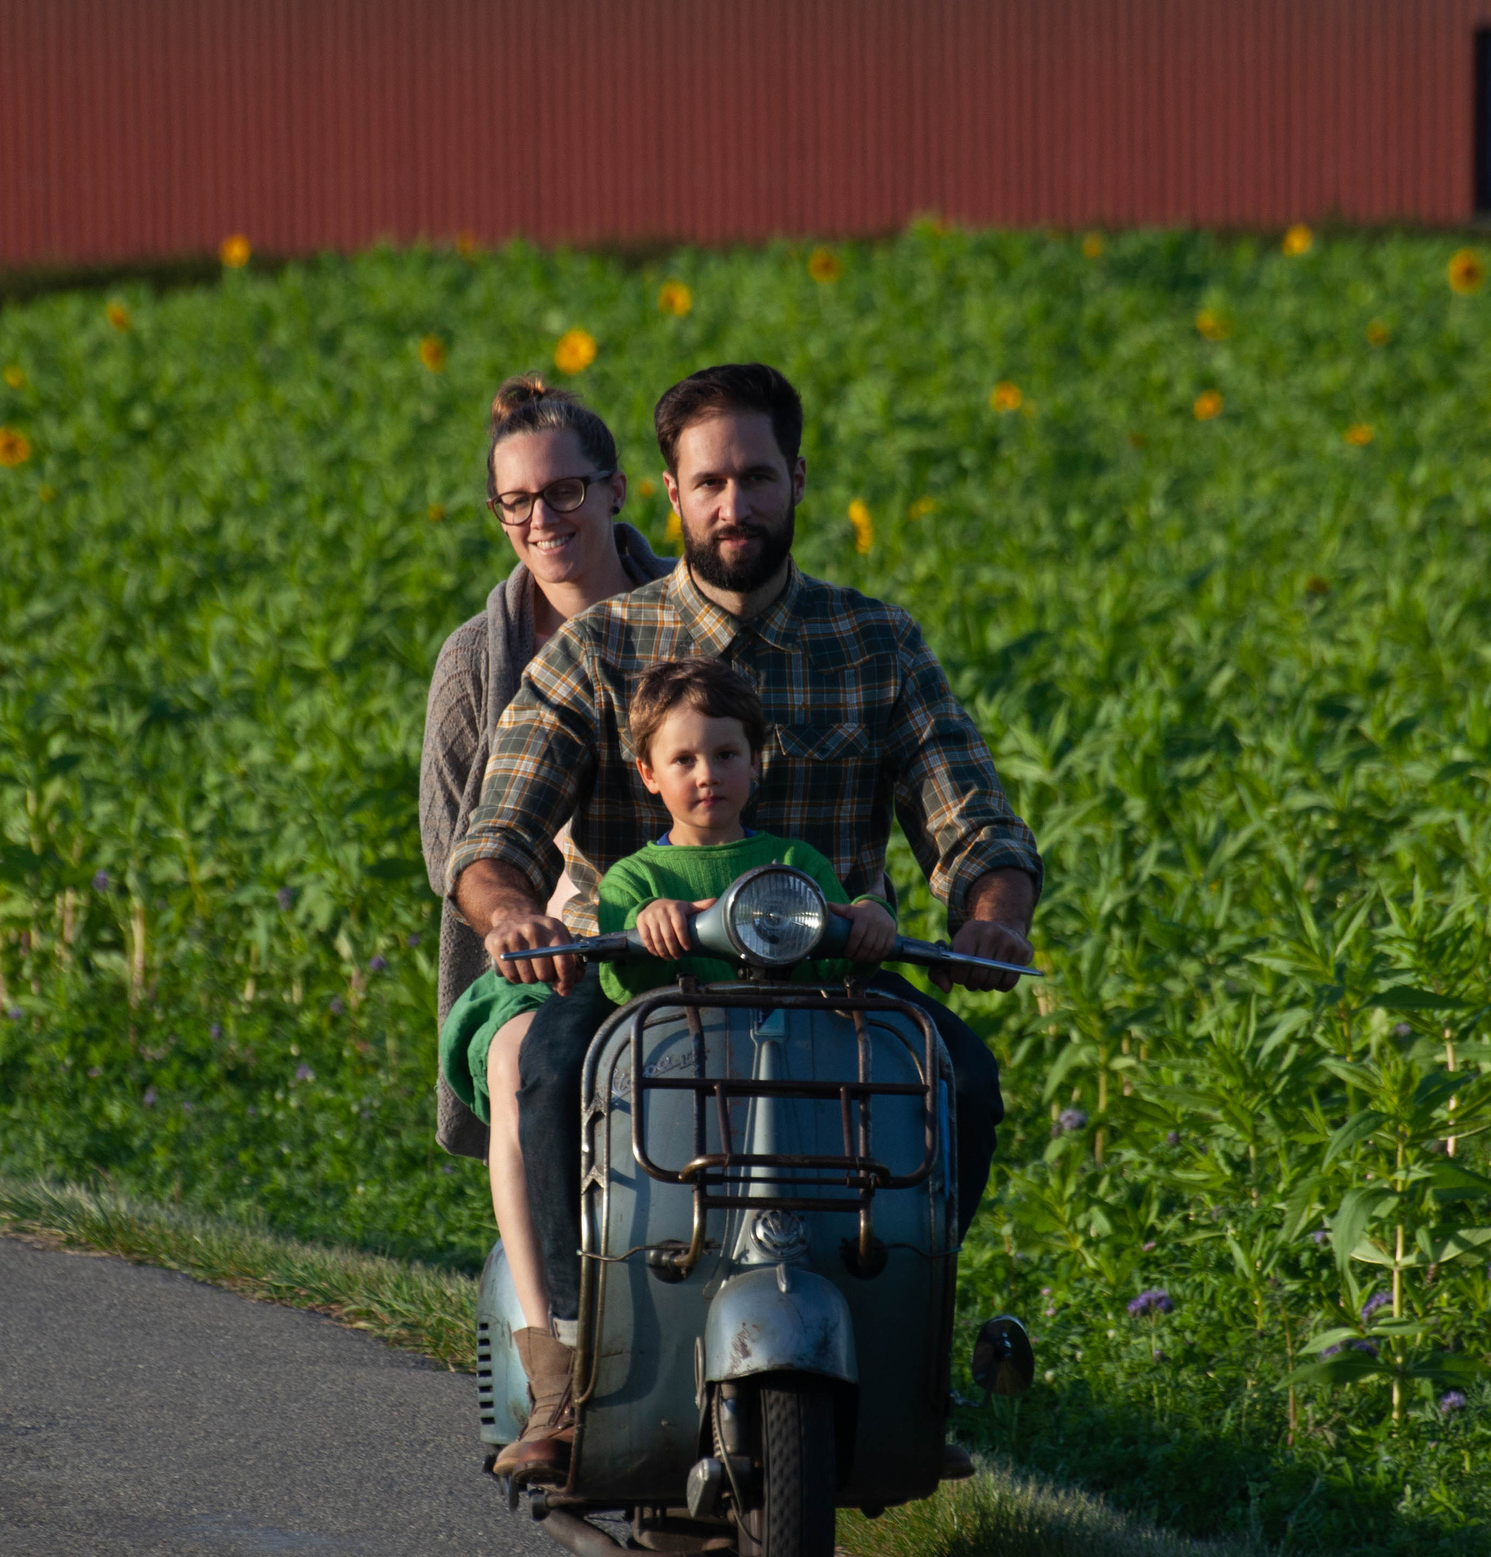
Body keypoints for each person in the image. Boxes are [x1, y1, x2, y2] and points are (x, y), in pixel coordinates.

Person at [447, 362, 1042, 1480]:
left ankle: (907, 1347)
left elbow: (977, 823)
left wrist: (990, 919)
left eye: (756, 478)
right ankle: (569, 1368)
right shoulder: (600, 649)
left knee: (958, 1077)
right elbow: (497, 834)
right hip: (640, 982)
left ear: (798, 480)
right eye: (709, 482)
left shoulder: (875, 646)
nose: (735, 505)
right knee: (544, 1068)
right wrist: (515, 909)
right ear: (668, 495)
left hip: (828, 982)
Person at [417, 373, 670, 1342]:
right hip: (552, 951)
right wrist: (521, 915)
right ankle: (555, 1345)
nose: (541, 517)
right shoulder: (474, 662)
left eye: (564, 491)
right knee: (538, 1060)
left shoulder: (691, 626)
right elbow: (454, 847)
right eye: (516, 501)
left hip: (681, 924)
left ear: (614, 490)